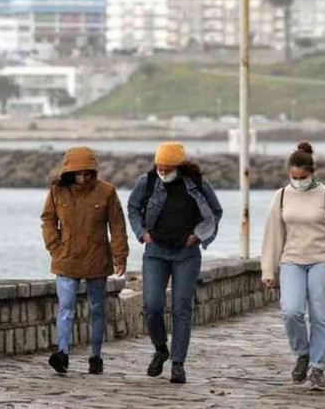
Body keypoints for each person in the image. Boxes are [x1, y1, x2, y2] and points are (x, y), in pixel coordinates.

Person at [261, 142, 325, 391]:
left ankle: (318, 368)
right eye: (293, 177)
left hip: (324, 260)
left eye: (302, 177)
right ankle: (302, 353)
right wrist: (268, 270)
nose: (298, 182)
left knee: (320, 316)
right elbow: (273, 236)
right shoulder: (281, 196)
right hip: (292, 260)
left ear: (312, 173)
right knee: (291, 311)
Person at [127, 142, 222, 384]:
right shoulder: (147, 182)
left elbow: (215, 211)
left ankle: (178, 364)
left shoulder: (198, 183)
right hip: (155, 251)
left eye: (168, 168)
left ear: (179, 166)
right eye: (159, 166)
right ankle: (160, 349)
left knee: (182, 307)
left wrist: (198, 235)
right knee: (152, 305)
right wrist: (141, 233)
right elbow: (133, 207)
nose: (163, 171)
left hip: (186, 254)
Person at [41, 146, 129, 375]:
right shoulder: (57, 191)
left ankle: (96, 356)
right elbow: (48, 220)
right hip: (66, 257)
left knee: (97, 308)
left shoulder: (107, 192)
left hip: (96, 258)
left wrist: (120, 256)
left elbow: (117, 226)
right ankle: (62, 354)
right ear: (69, 172)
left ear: (93, 171)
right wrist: (54, 246)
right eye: (78, 173)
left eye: (87, 173)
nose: (83, 178)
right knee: (66, 307)